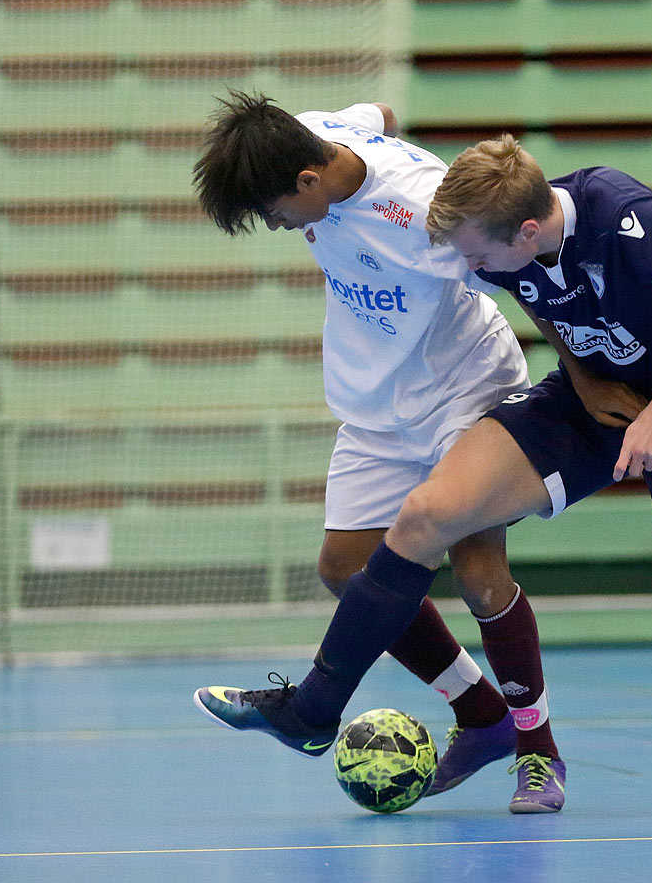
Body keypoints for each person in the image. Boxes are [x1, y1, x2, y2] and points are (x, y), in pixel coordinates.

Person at [196, 126, 652, 816]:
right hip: (594, 393)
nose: (461, 267)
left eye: (472, 255)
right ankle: (314, 711)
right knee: (425, 515)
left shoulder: (623, 217)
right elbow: (552, 310)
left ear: (527, 230)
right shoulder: (496, 248)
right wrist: (585, 381)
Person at [190, 92, 535, 808]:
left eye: (277, 211)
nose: (279, 225)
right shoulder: (313, 133)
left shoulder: (420, 211)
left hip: (462, 388)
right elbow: (379, 111)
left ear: (309, 182)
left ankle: (538, 748)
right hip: (378, 404)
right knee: (345, 567)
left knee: (477, 569)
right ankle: (482, 716)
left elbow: (519, 269)